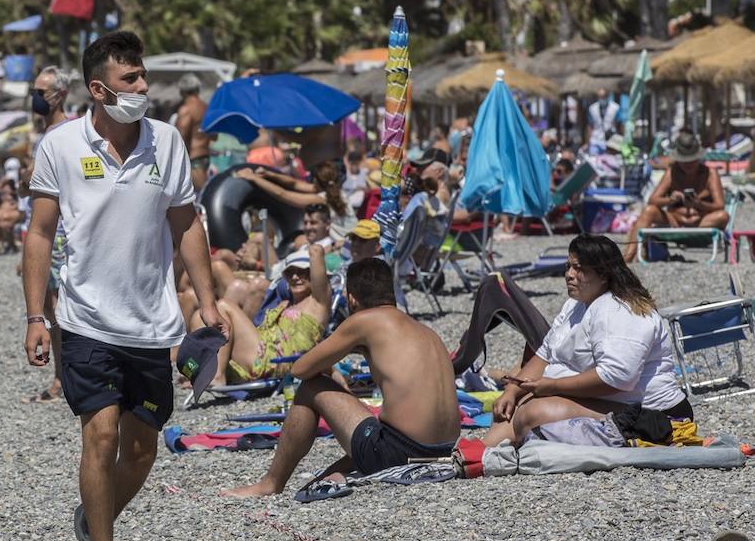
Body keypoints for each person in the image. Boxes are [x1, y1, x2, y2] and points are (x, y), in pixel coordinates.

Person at [22, 30, 224, 541]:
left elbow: (187, 224)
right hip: (83, 318)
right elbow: (38, 233)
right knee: (101, 434)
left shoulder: (166, 142)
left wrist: (207, 304)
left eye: (144, 77)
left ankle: (93, 517)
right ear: (99, 89)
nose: (143, 88)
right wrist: (37, 314)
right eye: (132, 80)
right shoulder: (61, 146)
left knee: (140, 449)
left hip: (151, 322)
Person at [223, 258, 461, 498]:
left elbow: (300, 369)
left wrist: (330, 366)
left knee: (311, 387)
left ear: (352, 299)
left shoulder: (363, 321)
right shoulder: (423, 331)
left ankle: (271, 483)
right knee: (362, 440)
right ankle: (321, 478)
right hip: (443, 451)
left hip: (399, 451)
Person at [485, 234, 690, 446]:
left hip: (652, 413)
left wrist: (553, 386)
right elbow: (545, 355)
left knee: (532, 413)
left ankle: (500, 453)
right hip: (607, 401)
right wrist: (511, 391)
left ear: (603, 275)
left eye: (579, 268)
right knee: (511, 406)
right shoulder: (575, 305)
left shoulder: (621, 310)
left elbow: (617, 377)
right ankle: (482, 456)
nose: (569, 274)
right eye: (568, 266)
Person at [195, 247, 329, 383]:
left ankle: (217, 377)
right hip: (260, 353)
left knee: (224, 305)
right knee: (201, 315)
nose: (295, 277)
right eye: (290, 273)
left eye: (302, 272)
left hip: (274, 360)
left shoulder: (318, 303)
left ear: (313, 274)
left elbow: (316, 252)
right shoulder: (285, 303)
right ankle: (202, 371)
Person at [25, 66, 74, 403]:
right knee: (47, 305)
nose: (36, 98)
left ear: (60, 95)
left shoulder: (68, 132)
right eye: (35, 91)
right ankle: (62, 376)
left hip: (60, 233)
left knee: (57, 309)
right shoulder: (46, 133)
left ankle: (64, 378)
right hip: (43, 231)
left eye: (41, 92)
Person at [622, 130, 728, 262]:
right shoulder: (672, 172)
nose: (688, 164)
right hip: (675, 221)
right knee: (649, 211)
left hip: (701, 222)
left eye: (691, 161)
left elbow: (720, 205)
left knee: (723, 216)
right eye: (685, 161)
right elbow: (653, 200)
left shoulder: (710, 174)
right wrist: (670, 199)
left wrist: (698, 203)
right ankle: (627, 259)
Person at [173, 74, 212, 192]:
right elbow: (214, 135)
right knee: (202, 195)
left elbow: (180, 138)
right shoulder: (207, 108)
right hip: (204, 156)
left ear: (182, 91)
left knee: (203, 197)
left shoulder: (187, 109)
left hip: (192, 159)